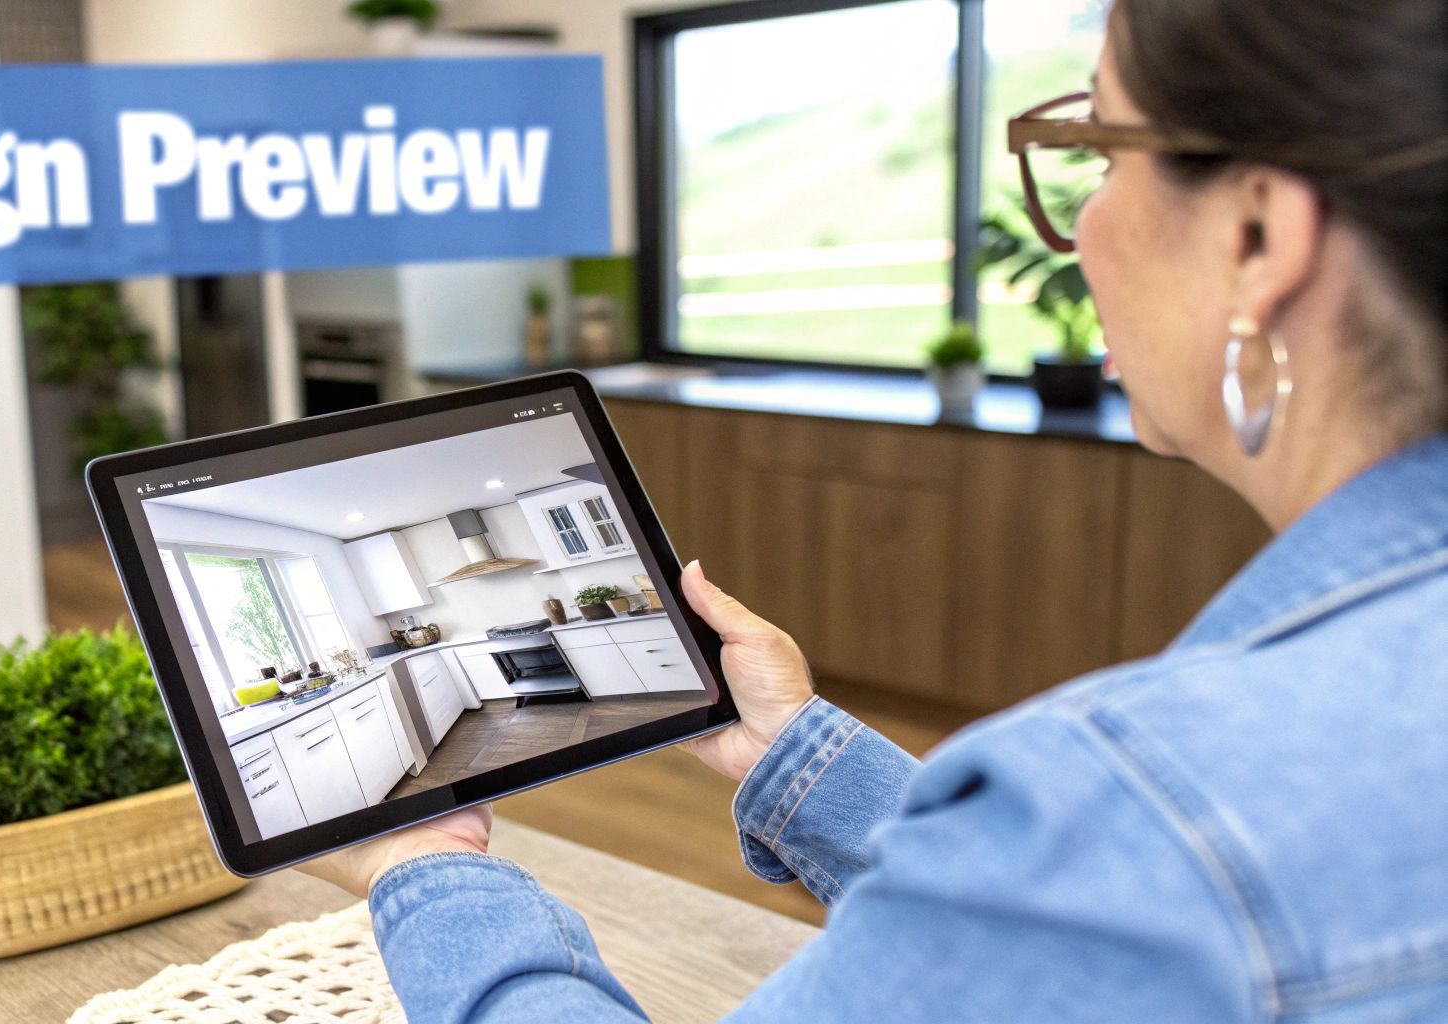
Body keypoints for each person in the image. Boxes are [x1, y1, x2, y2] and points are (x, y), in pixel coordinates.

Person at [302, 0, 1448, 1018]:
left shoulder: (1135, 808)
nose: (1082, 228)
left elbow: (1112, 867)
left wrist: (429, 872)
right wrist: (791, 753)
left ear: (1254, 237)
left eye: (1094, 153)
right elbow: (1039, 931)